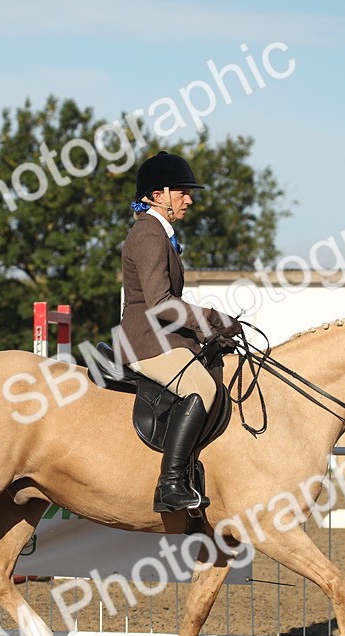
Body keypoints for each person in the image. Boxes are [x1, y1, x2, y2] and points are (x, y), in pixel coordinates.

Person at [114, 151, 242, 513]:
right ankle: (169, 484)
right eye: (182, 191)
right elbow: (160, 303)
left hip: (163, 337)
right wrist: (213, 320)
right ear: (158, 196)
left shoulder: (159, 233)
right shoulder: (148, 233)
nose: (190, 199)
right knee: (201, 386)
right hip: (145, 340)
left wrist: (208, 335)